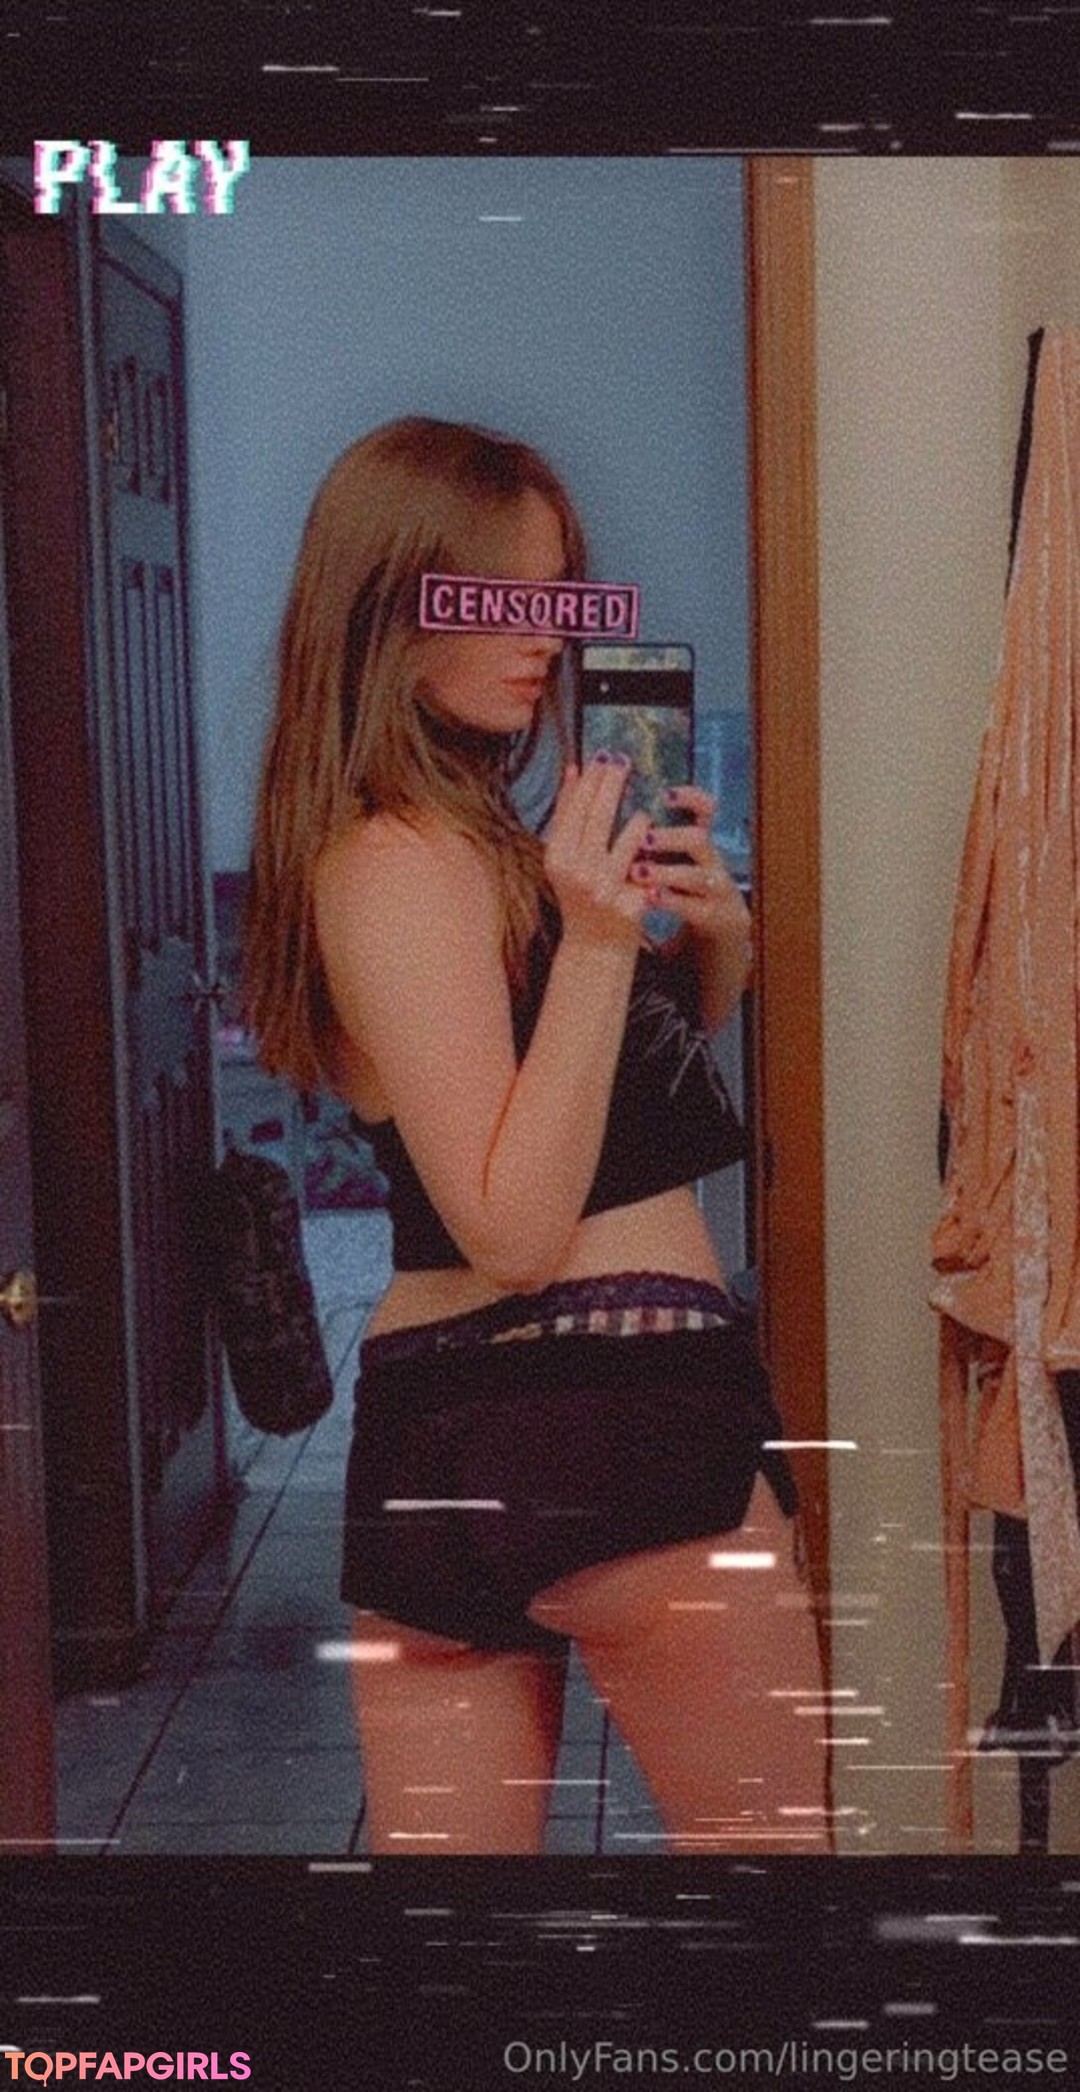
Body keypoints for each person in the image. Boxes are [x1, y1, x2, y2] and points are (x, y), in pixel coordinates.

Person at [243, 415, 829, 1855]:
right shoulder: (397, 857)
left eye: (561, 594)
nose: (547, 635)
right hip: (622, 1408)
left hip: (438, 1445)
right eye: (498, 599)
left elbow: (590, 1113)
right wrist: (596, 941)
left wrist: (707, 952)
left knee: (449, 1954)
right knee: (774, 1922)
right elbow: (511, 1228)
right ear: (387, 610)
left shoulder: (449, 844)